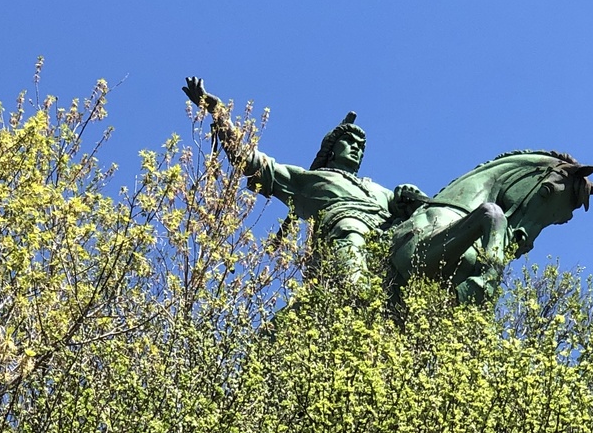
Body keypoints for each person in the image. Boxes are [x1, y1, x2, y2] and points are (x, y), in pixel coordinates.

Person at [183, 81, 427, 284]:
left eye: (361, 147)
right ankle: (356, 293)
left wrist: (409, 196)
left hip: (388, 236)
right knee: (351, 230)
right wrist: (219, 114)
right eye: (350, 142)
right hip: (346, 237)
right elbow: (250, 161)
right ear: (332, 149)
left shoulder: (377, 189)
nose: (356, 149)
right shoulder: (312, 181)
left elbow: (411, 208)